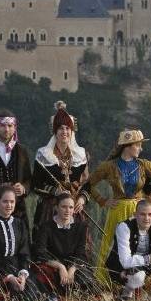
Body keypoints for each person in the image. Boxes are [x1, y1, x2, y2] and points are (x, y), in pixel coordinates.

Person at [88, 129, 151, 285]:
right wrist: (103, 201)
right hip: (117, 210)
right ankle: (106, 282)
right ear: (127, 146)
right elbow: (89, 184)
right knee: (111, 244)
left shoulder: (144, 165)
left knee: (142, 243)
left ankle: (144, 282)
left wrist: (150, 199)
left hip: (138, 210)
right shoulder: (109, 166)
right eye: (138, 145)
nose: (140, 148)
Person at [0, 185, 56, 301]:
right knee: (8, 294)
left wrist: (23, 274)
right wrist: (9, 277)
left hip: (18, 266)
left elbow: (24, 252)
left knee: (33, 291)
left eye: (12, 202)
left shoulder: (20, 224)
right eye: (5, 201)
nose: (9, 205)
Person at [32, 101, 91, 241]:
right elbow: (36, 184)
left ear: (72, 131)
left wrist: (82, 199)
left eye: (67, 128)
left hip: (74, 207)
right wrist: (55, 191)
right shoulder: (43, 155)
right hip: (50, 208)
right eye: (60, 128)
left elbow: (87, 183)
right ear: (55, 131)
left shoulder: (81, 155)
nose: (64, 132)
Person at [33, 193, 94, 299]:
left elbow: (81, 253)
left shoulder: (81, 226)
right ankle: (52, 299)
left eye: (71, 207)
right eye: (64, 207)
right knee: (42, 277)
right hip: (53, 265)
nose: (68, 211)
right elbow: (40, 251)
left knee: (85, 280)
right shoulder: (46, 227)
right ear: (56, 208)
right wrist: (60, 267)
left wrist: (72, 269)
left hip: (74, 266)